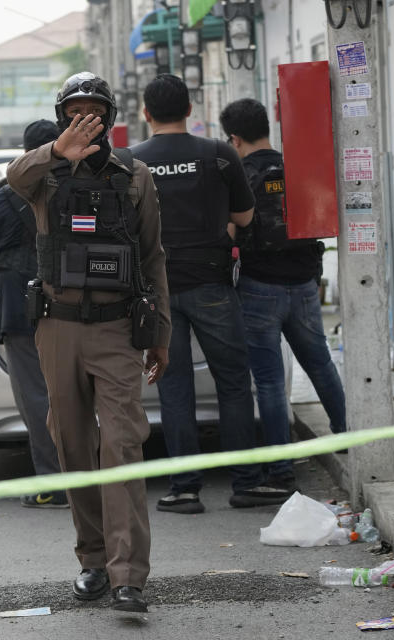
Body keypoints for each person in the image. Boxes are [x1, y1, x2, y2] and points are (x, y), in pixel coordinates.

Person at [7, 71, 170, 613]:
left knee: (121, 445)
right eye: (74, 112)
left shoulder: (134, 176)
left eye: (93, 113)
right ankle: (94, 562)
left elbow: (152, 257)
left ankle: (129, 577)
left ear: (110, 118)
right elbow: (13, 177)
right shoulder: (45, 176)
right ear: (61, 118)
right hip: (58, 328)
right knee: (72, 445)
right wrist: (57, 150)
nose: (85, 121)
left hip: (116, 329)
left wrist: (159, 334)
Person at [130, 74, 267, 514]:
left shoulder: (131, 163)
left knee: (174, 388)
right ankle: (245, 482)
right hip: (211, 285)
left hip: (158, 290)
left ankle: (184, 488)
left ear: (146, 113)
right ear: (190, 110)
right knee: (232, 382)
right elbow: (245, 218)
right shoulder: (218, 154)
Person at [220, 98, 347, 504]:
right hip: (305, 285)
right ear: (267, 127)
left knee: (271, 382)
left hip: (258, 287)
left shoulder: (238, 173)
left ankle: (281, 468)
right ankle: (345, 435)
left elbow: (231, 232)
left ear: (234, 138)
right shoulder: (295, 166)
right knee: (320, 362)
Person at [0, 119, 66, 509]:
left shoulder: (7, 194)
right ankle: (93, 477)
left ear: (27, 154)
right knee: (77, 394)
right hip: (78, 307)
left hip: (22, 310)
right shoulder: (82, 187)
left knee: (36, 396)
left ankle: (54, 483)